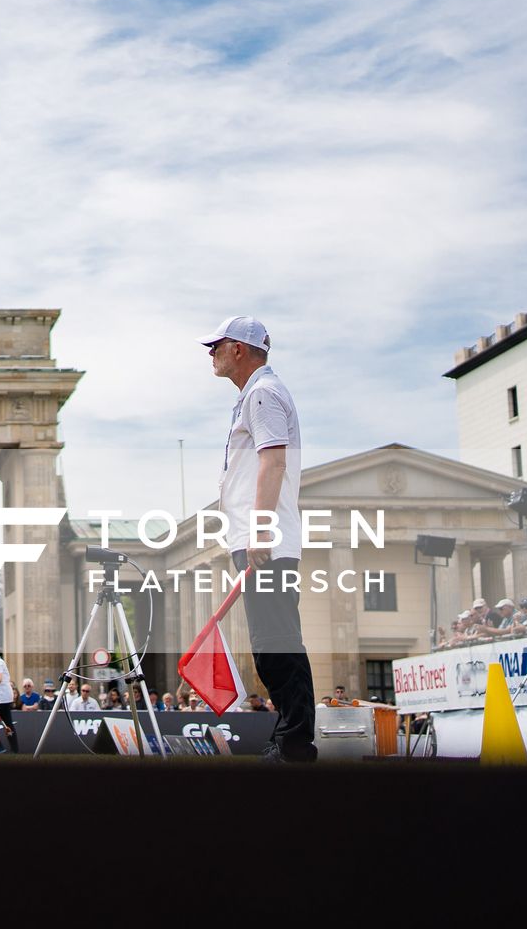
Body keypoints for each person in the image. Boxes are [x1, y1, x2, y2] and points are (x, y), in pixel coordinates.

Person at [203, 314, 315, 761]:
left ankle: (295, 744)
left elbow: (274, 462)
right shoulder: (255, 394)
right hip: (256, 539)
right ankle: (289, 737)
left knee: (277, 644)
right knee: (269, 646)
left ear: (239, 350)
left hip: (266, 542)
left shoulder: (264, 393)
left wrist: (261, 530)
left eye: (217, 345)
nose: (210, 353)